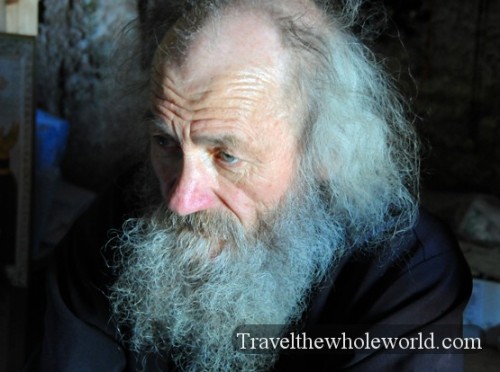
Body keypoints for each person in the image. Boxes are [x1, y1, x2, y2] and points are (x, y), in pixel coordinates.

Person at [32, 0, 472, 370]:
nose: (181, 200)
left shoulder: (411, 275)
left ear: (327, 153)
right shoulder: (121, 221)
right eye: (165, 141)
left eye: (227, 156)